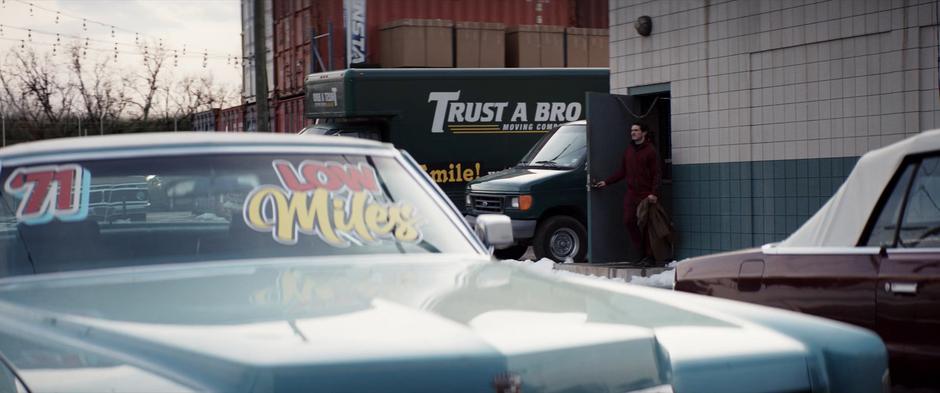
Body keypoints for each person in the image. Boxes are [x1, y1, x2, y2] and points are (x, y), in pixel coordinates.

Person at [592, 122, 662, 265]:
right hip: (632, 193)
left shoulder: (650, 151)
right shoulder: (629, 151)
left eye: (636, 130)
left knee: (647, 224)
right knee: (629, 221)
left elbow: (657, 173)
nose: (633, 133)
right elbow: (623, 171)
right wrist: (607, 182)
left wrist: (654, 193)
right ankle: (640, 252)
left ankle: (650, 256)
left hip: (646, 194)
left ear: (644, 133)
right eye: (632, 130)